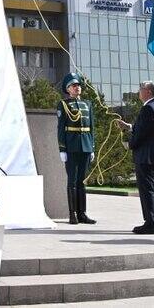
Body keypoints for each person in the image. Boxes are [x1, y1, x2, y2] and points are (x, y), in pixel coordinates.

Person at [116, 80, 154, 234]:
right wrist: (129, 126)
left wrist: (129, 144)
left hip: (146, 155)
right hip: (153, 155)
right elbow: (145, 128)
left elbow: (142, 134)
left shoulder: (148, 109)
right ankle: (152, 221)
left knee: (147, 190)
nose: (139, 91)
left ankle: (151, 223)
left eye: (141, 88)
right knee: (149, 189)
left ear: (148, 92)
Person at [57, 72, 96, 225]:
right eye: (74, 85)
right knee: (72, 181)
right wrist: (62, 149)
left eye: (78, 85)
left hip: (85, 146)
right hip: (72, 147)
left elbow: (91, 127)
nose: (77, 87)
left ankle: (83, 213)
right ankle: (72, 214)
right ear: (68, 89)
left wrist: (92, 147)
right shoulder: (64, 105)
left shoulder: (88, 104)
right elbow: (61, 129)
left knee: (82, 181)